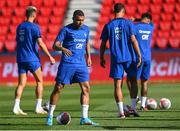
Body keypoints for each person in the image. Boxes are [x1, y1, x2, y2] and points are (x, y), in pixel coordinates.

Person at [46, 10, 98, 126]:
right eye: (78, 20)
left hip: (81, 64)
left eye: (82, 20)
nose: (80, 22)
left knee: (86, 88)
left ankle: (84, 118)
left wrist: (88, 56)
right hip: (67, 63)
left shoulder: (86, 29)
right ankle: (49, 115)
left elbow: (87, 43)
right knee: (58, 88)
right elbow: (55, 46)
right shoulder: (66, 30)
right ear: (73, 19)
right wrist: (63, 49)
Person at [100, 3, 142, 118]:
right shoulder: (128, 23)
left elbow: (103, 43)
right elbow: (133, 40)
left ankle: (121, 113)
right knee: (133, 81)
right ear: (123, 11)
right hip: (129, 57)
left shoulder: (108, 25)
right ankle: (133, 108)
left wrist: (101, 57)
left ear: (114, 12)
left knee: (118, 85)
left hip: (116, 58)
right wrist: (139, 55)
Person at [13, 6, 55, 115]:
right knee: (40, 81)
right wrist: (50, 56)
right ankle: (38, 107)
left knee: (21, 83)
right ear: (34, 15)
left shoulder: (19, 27)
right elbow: (40, 43)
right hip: (32, 58)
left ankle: (16, 107)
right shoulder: (35, 27)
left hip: (21, 58)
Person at [126, 12, 154, 111]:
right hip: (148, 58)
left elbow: (128, 25)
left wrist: (134, 19)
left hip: (138, 58)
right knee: (144, 82)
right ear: (149, 20)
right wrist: (140, 19)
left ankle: (134, 103)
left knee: (131, 80)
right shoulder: (151, 27)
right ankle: (143, 105)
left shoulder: (136, 27)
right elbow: (151, 22)